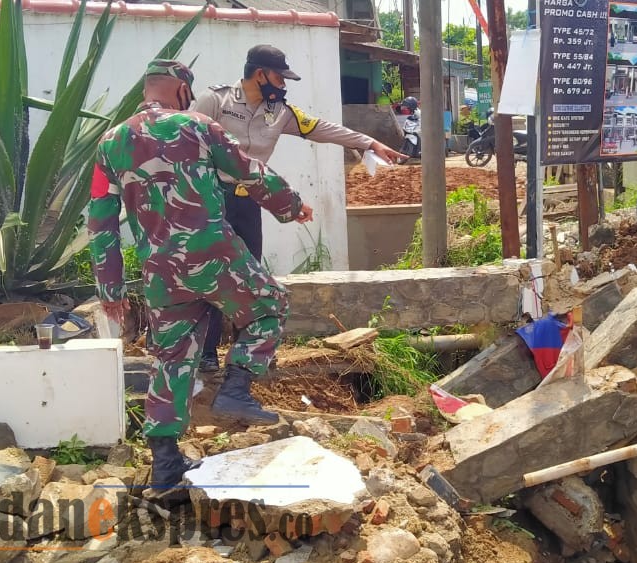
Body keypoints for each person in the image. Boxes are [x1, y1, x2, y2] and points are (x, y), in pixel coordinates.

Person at [88, 60, 314, 491]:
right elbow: (249, 171)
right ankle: (237, 386)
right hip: (213, 253)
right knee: (270, 305)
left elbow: (100, 220)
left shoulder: (110, 142)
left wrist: (110, 288)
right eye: (187, 91)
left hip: (159, 270)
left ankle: (167, 465)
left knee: (172, 357)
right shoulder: (197, 126)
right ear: (179, 89)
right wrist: (290, 206)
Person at [191, 45, 405, 373]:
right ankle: (205, 354)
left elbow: (321, 128)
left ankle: (247, 354)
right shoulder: (215, 100)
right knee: (212, 274)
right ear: (260, 74)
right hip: (212, 200)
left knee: (250, 276)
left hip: (249, 199)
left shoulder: (279, 112)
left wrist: (368, 143)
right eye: (279, 77)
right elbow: (185, 142)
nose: (283, 84)